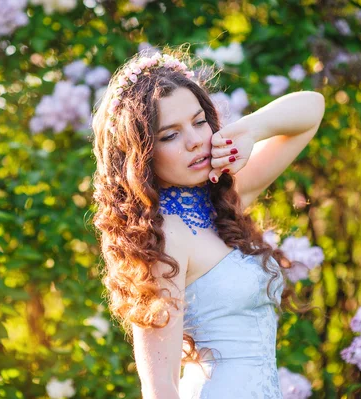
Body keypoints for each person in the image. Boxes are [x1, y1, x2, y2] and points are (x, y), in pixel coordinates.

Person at [91, 46, 325, 399]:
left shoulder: (224, 197)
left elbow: (312, 109)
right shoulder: (163, 237)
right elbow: (159, 389)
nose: (196, 141)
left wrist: (246, 131)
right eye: (170, 135)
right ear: (141, 155)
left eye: (200, 121)